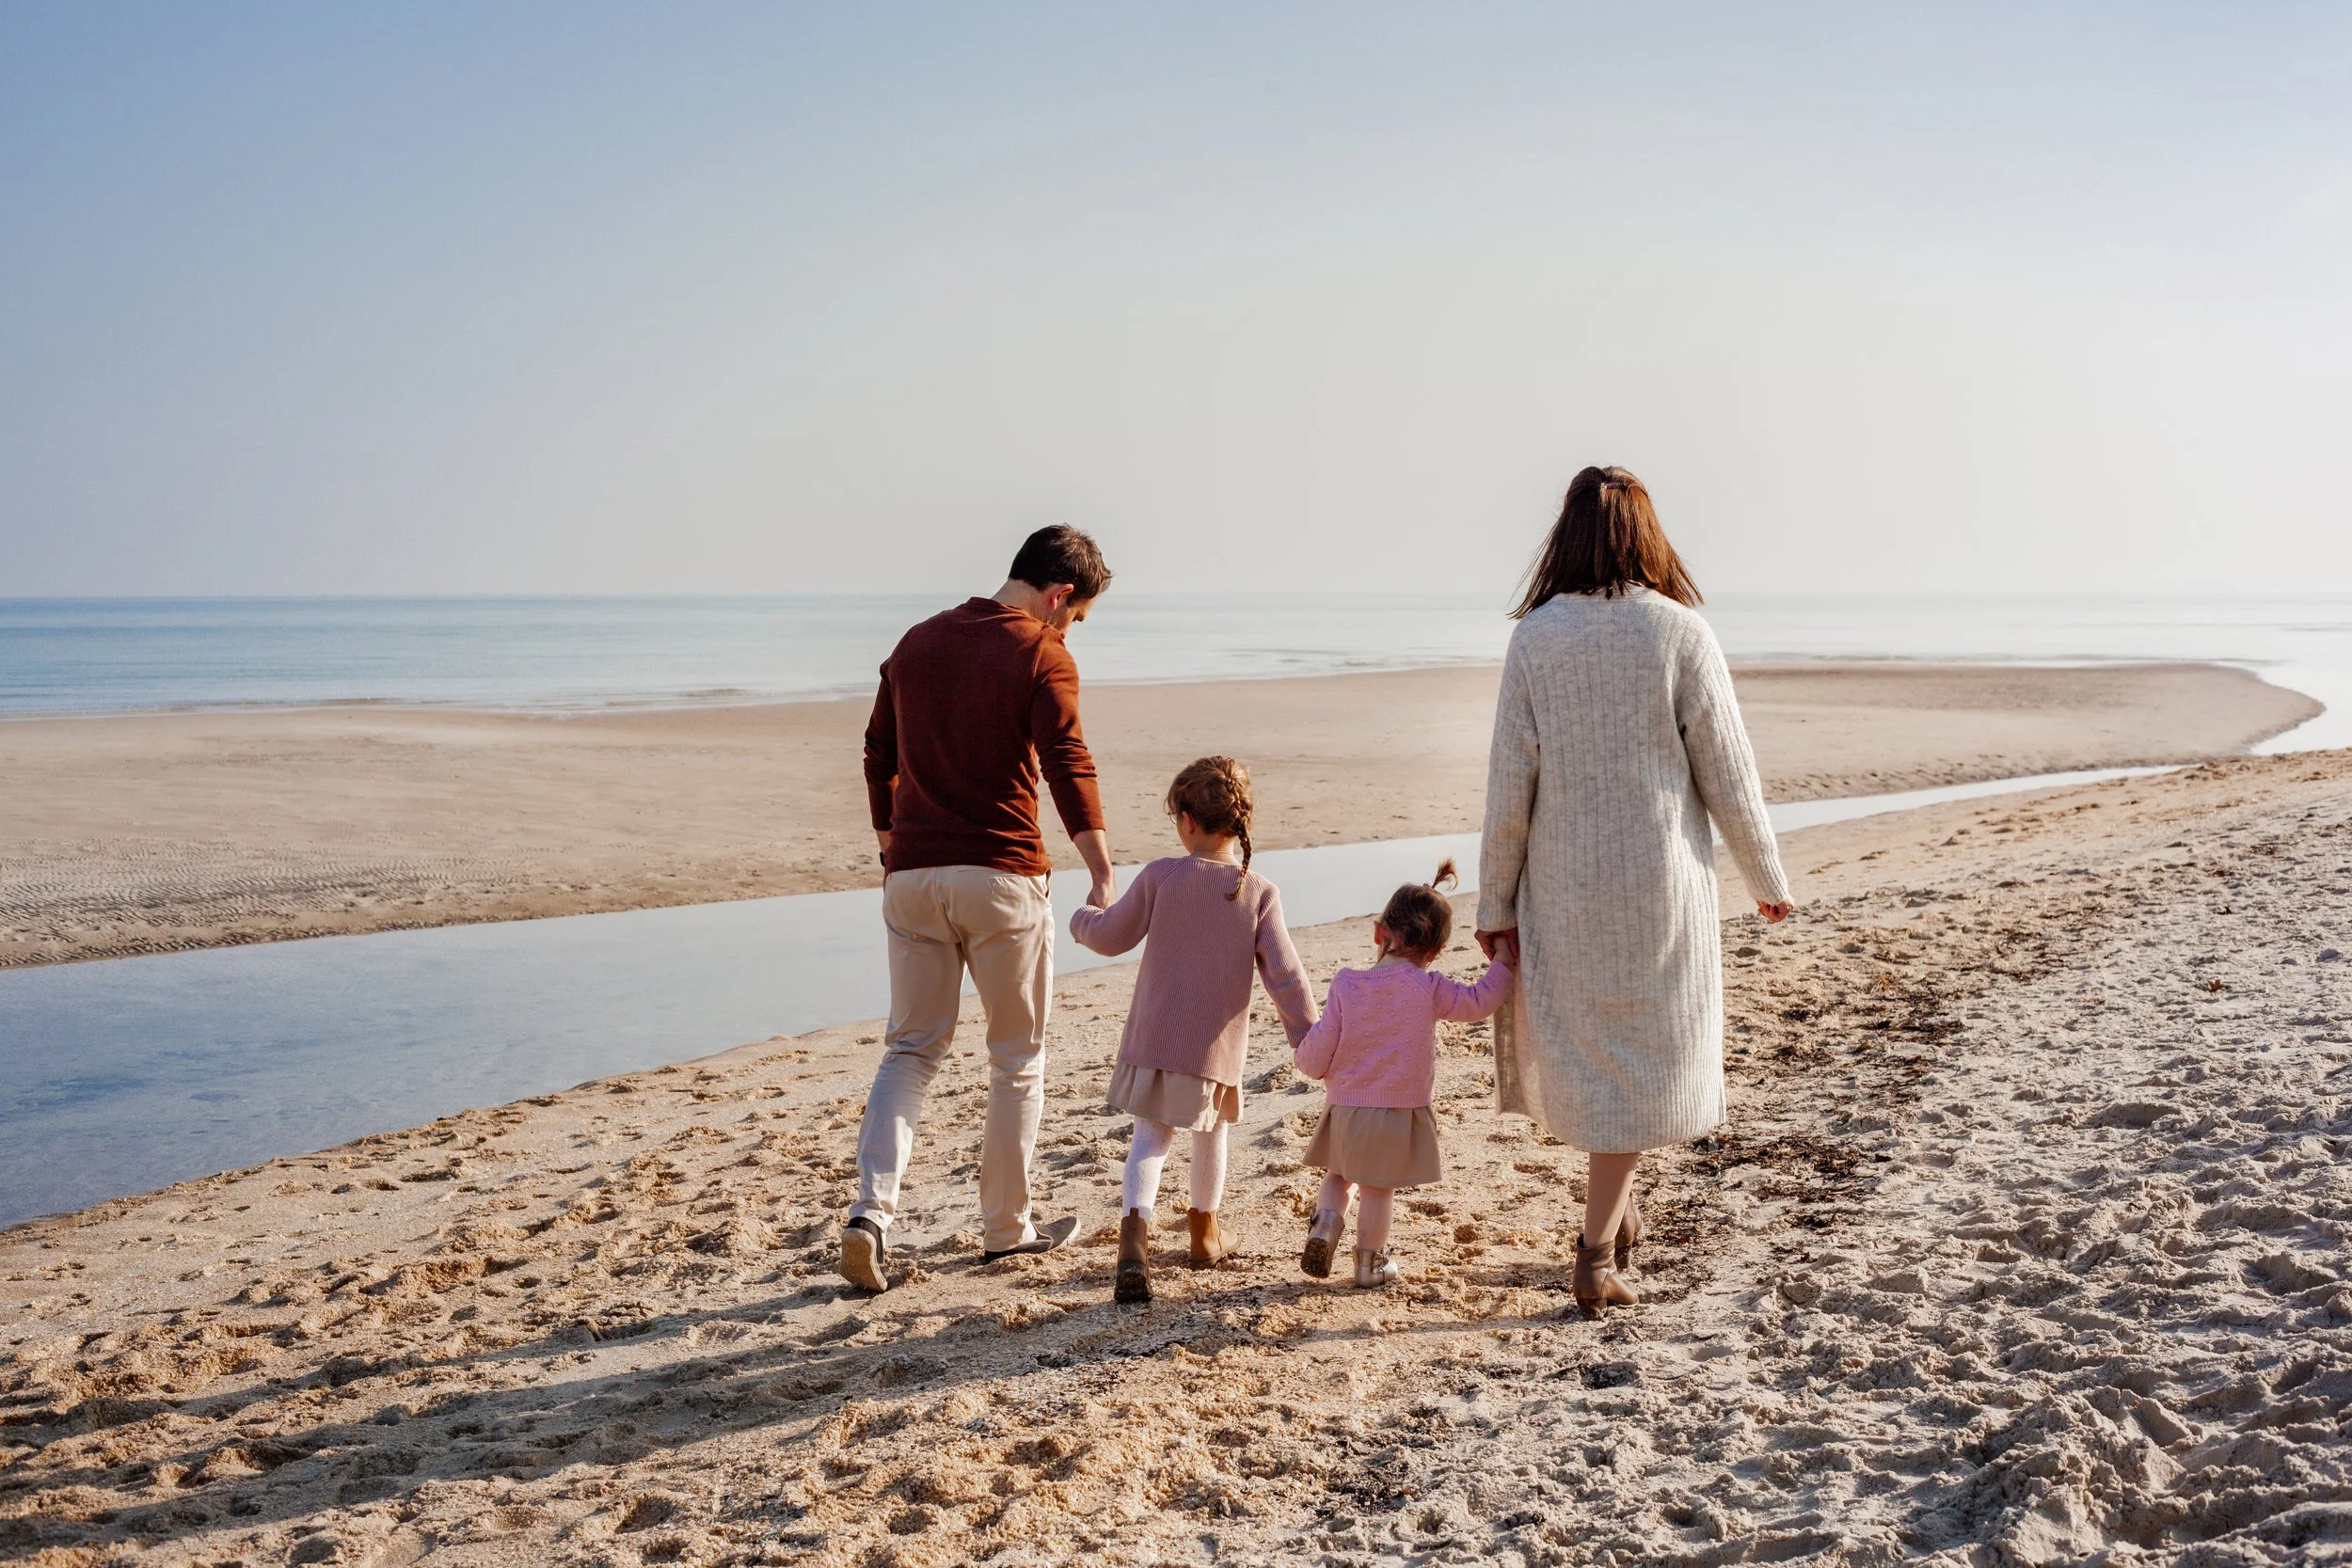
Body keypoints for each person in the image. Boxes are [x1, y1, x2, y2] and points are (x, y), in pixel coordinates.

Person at [1475, 466, 1793, 1320]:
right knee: (1644, 1053)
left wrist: (1494, 905)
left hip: (1567, 885)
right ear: (1648, 536)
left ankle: (1619, 1216)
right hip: (1660, 884)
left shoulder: (1536, 638)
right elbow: (1728, 768)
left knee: (1599, 1056)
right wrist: (1765, 875)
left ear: (1566, 537)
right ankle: (1592, 1254)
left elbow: (1510, 786)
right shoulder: (1680, 631)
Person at [841, 525, 1118, 1292]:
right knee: (1017, 1057)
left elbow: (877, 752)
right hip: (1000, 876)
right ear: (1059, 595)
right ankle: (1006, 1232)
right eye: (1077, 616)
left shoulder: (916, 643)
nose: (1071, 631)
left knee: (910, 1049)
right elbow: (1066, 759)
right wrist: (1100, 867)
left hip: (913, 877)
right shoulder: (1041, 650)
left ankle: (870, 1213)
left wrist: (891, 841)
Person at [1069, 756, 1318, 1305]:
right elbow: (1286, 976)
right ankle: (1205, 1235)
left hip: (1157, 1038)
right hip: (1212, 1048)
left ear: (1186, 821)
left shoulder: (1161, 876)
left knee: (1151, 1138)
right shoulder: (1257, 890)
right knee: (1211, 1134)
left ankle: (1134, 1238)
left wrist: (1083, 919)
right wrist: (1309, 1037)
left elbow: (1112, 936)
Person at [1292, 863, 1513, 1289]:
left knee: (1339, 1175)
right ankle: (1368, 1264)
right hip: (1395, 1113)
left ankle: (1324, 1226)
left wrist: (1305, 1061)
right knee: (1377, 1188)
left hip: (1345, 1109)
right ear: (1434, 952)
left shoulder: (1345, 983)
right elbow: (1479, 1002)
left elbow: (1321, 1046)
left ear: (1380, 933)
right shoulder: (1427, 986)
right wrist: (1503, 959)